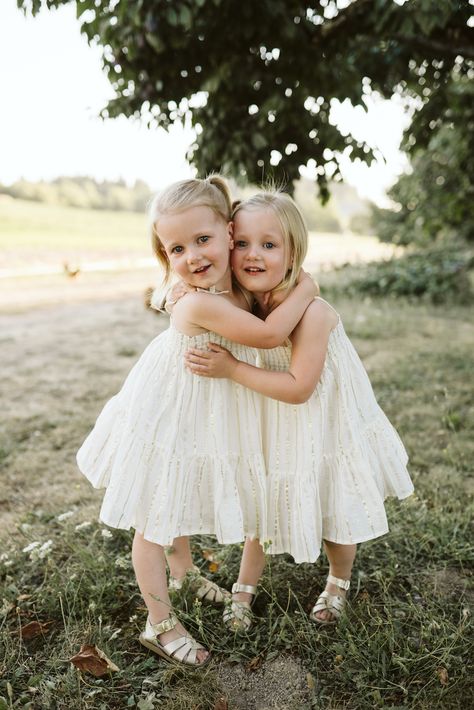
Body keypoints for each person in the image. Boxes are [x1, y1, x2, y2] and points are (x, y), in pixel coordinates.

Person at [76, 176, 317, 666]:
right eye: (176, 248)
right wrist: (307, 286)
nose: (191, 255)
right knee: (156, 515)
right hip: (169, 411)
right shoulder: (201, 300)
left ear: (230, 232)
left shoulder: (232, 290)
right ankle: (159, 624)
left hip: (201, 410)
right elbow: (271, 335)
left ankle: (183, 571)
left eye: (202, 240)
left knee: (180, 489)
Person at [184, 190, 414, 629]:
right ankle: (245, 587)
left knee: (331, 498)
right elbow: (195, 294)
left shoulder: (312, 312)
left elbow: (298, 387)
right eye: (243, 244)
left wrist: (230, 367)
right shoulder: (246, 304)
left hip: (322, 416)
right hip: (271, 411)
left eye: (269, 245)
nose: (254, 255)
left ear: (293, 254)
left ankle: (338, 581)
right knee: (261, 492)